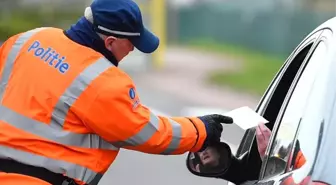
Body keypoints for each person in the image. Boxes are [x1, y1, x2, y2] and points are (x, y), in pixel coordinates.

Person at [0, 0, 234, 184]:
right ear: (110, 42)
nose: (133, 48)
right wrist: (201, 130)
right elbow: (148, 133)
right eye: (131, 42)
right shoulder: (101, 80)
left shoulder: (28, 39)